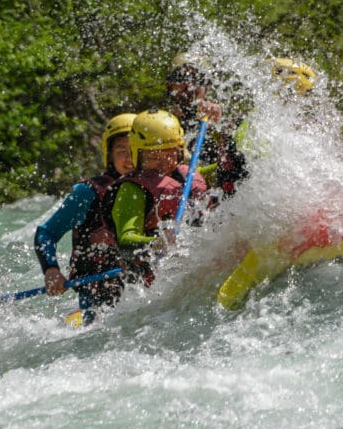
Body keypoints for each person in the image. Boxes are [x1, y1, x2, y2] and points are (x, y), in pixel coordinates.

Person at [33, 113, 136, 324]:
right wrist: (51, 270)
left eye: (135, 150)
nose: (130, 159)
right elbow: (46, 233)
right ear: (109, 155)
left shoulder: (161, 188)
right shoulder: (87, 193)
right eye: (122, 151)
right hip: (99, 298)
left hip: (146, 292)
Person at [106, 109, 209, 302]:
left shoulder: (187, 176)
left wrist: (224, 136)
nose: (163, 163)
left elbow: (232, 174)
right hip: (150, 290)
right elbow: (126, 240)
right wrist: (158, 242)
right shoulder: (131, 190)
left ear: (179, 150)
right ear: (137, 154)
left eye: (169, 154)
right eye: (153, 157)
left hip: (189, 273)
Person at [166, 53, 248, 198]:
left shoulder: (224, 121)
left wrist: (218, 127)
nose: (190, 85)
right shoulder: (157, 123)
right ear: (169, 84)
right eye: (181, 77)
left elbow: (239, 163)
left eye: (198, 79)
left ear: (207, 87)